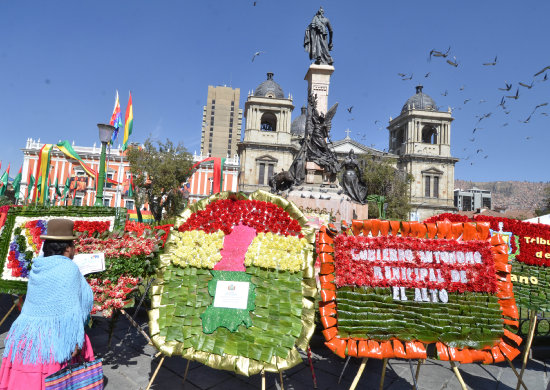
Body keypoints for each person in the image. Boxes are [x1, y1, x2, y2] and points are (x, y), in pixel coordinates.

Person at [0, 219, 95, 390]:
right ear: (67, 248)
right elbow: (78, 305)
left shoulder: (38, 266)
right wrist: (75, 340)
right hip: (54, 341)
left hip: (25, 338)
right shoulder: (69, 269)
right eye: (73, 244)